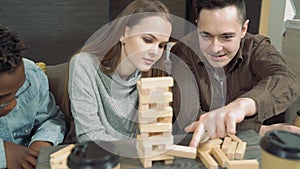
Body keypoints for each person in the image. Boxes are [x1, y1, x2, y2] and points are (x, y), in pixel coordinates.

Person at [170, 0, 300, 147]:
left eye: (226, 37)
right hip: (198, 146)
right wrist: (259, 129)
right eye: (205, 35)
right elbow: (189, 120)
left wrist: (242, 105)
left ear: (244, 29)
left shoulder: (256, 47)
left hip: (246, 147)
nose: (215, 48)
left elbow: (286, 81)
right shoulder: (183, 51)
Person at [68, 0, 172, 143]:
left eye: (161, 45)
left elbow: (154, 135)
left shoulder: (154, 75)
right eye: (148, 40)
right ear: (123, 33)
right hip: (99, 158)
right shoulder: (84, 64)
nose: (155, 52)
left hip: (137, 158)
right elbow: (89, 135)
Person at [0, 25, 66, 169]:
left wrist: (42, 143)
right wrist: (4, 153)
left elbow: (51, 118)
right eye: (2, 97)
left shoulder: (32, 74)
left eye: (19, 89)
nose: (13, 104)